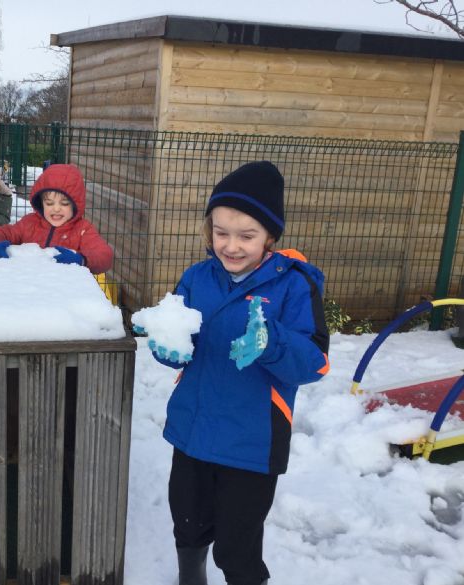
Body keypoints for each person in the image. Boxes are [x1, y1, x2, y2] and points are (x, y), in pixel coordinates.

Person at [154, 161, 330, 585]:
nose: (231, 246)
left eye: (246, 235)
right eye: (221, 232)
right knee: (189, 523)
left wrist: (272, 344)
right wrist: (169, 347)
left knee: (237, 545)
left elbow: (315, 362)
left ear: (271, 236)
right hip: (193, 430)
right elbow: (180, 341)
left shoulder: (293, 285)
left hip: (252, 442)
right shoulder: (197, 277)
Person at [0, 163, 114, 274]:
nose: (56, 209)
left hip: (64, 290)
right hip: (30, 284)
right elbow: (4, 232)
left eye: (64, 203)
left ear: (75, 204)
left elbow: (104, 255)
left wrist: (81, 259)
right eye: (49, 203)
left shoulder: (82, 230)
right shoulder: (30, 223)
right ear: (41, 203)